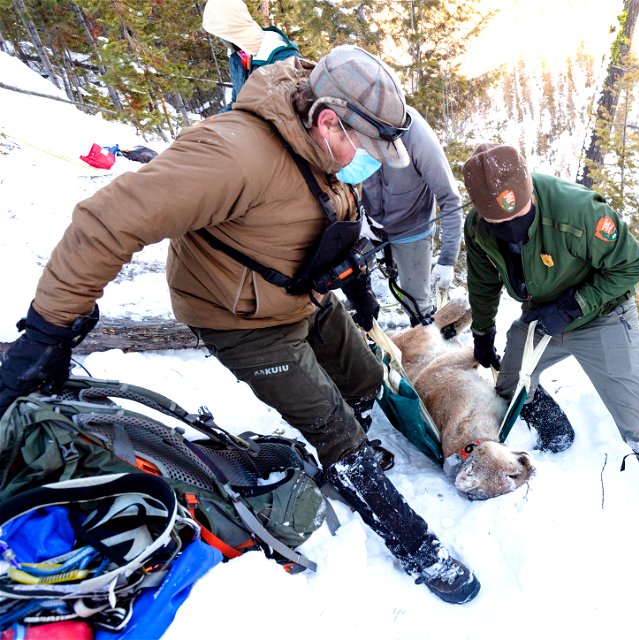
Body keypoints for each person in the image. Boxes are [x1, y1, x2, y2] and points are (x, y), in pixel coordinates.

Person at [0, 45, 479, 605]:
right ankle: (415, 545)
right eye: (369, 151)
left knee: (365, 377)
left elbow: (332, 215)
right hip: (244, 320)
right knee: (334, 430)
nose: (371, 166)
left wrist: (357, 288)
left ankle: (361, 426)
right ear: (328, 120)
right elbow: (108, 220)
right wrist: (48, 330)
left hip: (304, 293)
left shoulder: (326, 144)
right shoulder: (232, 155)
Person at [461, 143, 639, 583]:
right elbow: (483, 279)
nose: (510, 228)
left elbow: (634, 263)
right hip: (543, 314)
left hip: (601, 315)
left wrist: (579, 302)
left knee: (637, 424)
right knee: (509, 385)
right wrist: (482, 332)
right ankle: (558, 431)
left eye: (519, 216)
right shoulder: (479, 229)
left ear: (530, 193)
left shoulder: (577, 212)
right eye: (498, 221)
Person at [360, 107, 463, 325]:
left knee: (417, 301)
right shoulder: (353, 124)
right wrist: (359, 217)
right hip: (366, 224)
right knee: (357, 288)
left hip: (412, 229)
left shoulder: (418, 138)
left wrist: (447, 259)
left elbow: (450, 199)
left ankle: (428, 340)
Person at [202, 0, 300, 111]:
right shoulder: (237, 58)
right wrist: (216, 122)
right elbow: (237, 101)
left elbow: (296, 112)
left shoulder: (284, 58)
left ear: (231, 30)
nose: (220, 40)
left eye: (220, 34)